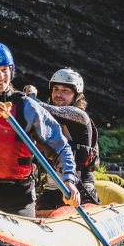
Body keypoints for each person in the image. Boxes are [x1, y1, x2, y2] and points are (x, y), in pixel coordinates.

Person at [0, 42, 80, 217]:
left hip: (20, 197)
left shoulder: (27, 106)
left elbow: (60, 147)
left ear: (11, 71)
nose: (1, 76)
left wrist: (69, 179)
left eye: (5, 70)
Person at [23, 68, 102, 210]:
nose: (58, 94)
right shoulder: (45, 122)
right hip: (51, 190)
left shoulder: (80, 116)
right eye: (55, 89)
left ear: (76, 95)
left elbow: (44, 109)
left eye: (65, 90)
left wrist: (31, 96)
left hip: (80, 189)